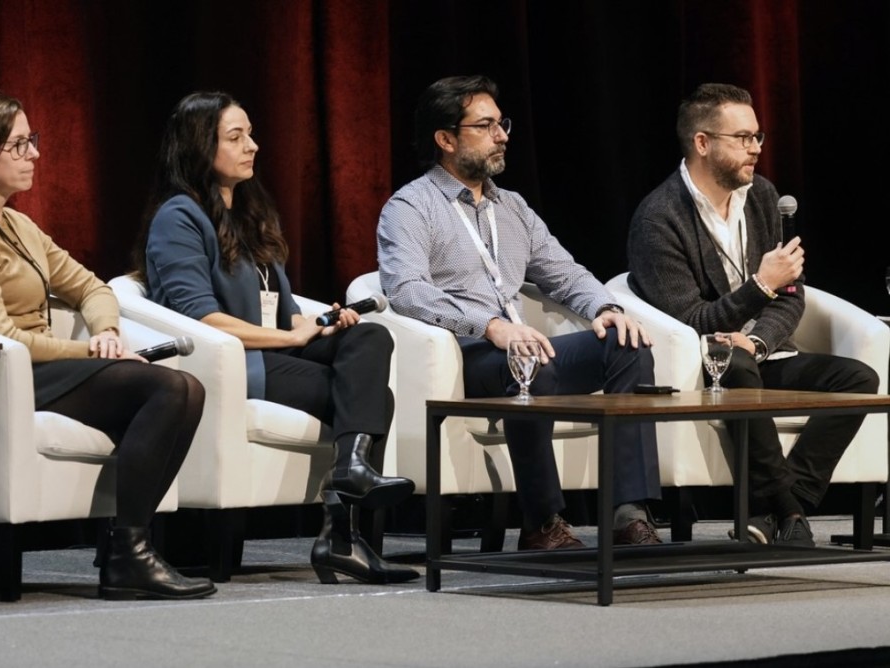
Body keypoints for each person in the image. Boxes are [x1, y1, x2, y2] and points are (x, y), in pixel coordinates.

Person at [0, 93, 216, 600]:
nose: (34, 153)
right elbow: (2, 337)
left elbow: (92, 288)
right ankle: (128, 555)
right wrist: (91, 354)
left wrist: (107, 333)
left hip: (46, 369)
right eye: (18, 144)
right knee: (167, 389)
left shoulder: (18, 225)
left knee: (185, 387)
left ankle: (127, 548)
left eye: (31, 141)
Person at [130, 91, 419, 585]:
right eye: (236, 137)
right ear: (200, 147)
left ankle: (349, 477)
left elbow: (283, 314)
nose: (253, 146)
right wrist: (287, 340)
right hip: (234, 364)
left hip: (272, 349)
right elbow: (201, 319)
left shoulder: (251, 212)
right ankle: (343, 539)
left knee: (368, 337)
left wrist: (320, 323)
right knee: (375, 399)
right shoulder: (178, 218)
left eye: (251, 134)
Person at [378, 74, 663, 549]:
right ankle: (541, 522)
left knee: (627, 345)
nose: (502, 135)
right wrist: (489, 326)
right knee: (532, 363)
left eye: (501, 123)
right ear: (446, 139)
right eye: (486, 125)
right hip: (464, 353)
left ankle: (629, 512)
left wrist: (605, 307)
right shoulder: (410, 207)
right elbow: (405, 291)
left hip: (527, 349)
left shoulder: (511, 207)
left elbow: (564, 273)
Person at [626, 82, 879, 547]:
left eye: (757, 136)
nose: (756, 148)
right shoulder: (658, 218)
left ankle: (784, 506)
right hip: (704, 365)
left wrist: (761, 339)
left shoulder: (762, 196)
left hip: (761, 354)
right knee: (736, 362)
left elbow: (789, 295)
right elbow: (692, 319)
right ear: (702, 143)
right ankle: (787, 510)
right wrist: (759, 287)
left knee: (858, 379)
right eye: (742, 138)